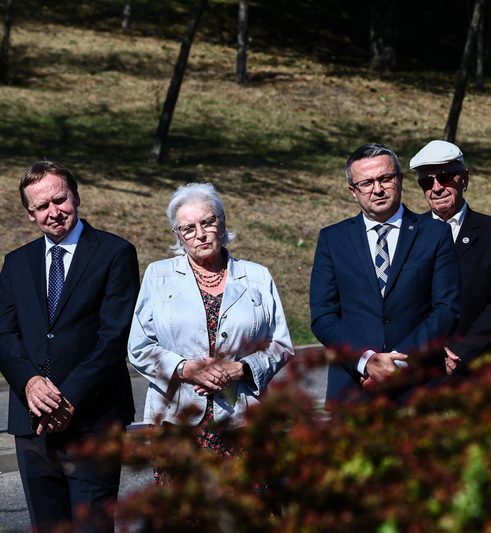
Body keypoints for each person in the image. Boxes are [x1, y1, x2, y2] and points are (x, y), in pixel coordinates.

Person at [0, 161, 139, 533]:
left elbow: (113, 339)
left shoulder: (115, 253)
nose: (54, 212)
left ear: (76, 196)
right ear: (30, 215)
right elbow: (4, 336)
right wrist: (30, 383)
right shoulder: (15, 263)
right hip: (32, 426)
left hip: (93, 421)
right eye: (41, 207)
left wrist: (69, 398)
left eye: (60, 200)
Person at [127, 182, 293, 485]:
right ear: (177, 236)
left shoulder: (257, 277)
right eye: (188, 228)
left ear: (223, 222)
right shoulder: (158, 276)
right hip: (176, 419)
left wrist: (241, 368)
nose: (200, 234)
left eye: (207, 222)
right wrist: (185, 368)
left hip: (243, 417)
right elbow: (139, 346)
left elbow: (280, 344)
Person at [310, 143, 461, 402]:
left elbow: (447, 309)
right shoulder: (332, 239)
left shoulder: (434, 233)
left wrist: (397, 361)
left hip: (419, 387)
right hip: (354, 388)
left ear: (400, 180)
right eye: (366, 183)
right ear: (353, 191)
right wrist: (367, 361)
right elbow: (323, 316)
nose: (377, 189)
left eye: (385, 179)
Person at [409, 140, 491, 373]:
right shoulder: (408, 235)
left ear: (465, 179)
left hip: (480, 366)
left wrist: (461, 352)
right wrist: (432, 353)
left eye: (446, 178)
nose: (436, 188)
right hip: (422, 368)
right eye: (427, 182)